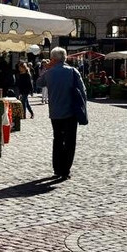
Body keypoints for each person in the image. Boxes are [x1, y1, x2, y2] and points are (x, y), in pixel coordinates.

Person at [35, 46, 86, 180]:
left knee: (57, 140)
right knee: (70, 141)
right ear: (65, 58)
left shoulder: (49, 72)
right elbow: (83, 91)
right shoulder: (73, 71)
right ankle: (65, 170)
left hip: (55, 113)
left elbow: (39, 83)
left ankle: (57, 168)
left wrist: (47, 68)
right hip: (70, 112)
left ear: (53, 59)